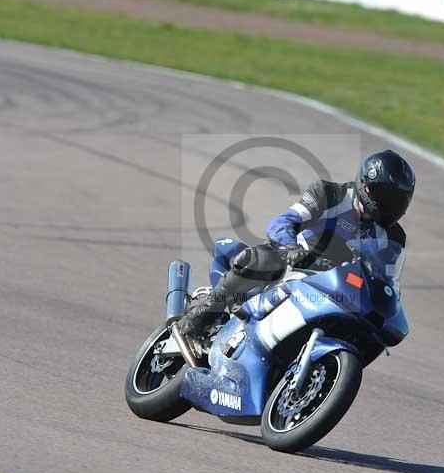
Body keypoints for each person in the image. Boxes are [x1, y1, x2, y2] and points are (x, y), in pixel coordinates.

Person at [175, 149, 416, 351]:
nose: (391, 206)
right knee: (262, 259)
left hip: (338, 290)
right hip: (293, 267)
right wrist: (289, 248)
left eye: (398, 201)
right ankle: (199, 318)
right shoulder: (331, 195)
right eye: (387, 197)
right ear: (367, 186)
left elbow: (389, 282)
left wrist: (388, 310)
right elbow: (283, 222)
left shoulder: (394, 238)